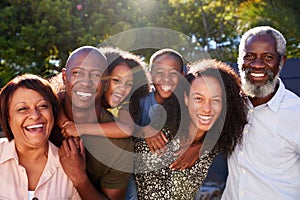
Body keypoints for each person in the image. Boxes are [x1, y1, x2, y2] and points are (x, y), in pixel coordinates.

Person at [221, 26, 300, 199]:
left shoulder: (296, 113)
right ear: (239, 60)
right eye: (249, 56)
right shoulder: (231, 104)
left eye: (268, 57)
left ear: (282, 62)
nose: (257, 64)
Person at [57, 46, 133, 200]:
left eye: (96, 75)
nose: (85, 82)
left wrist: (80, 178)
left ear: (105, 83)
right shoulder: (42, 118)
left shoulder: (121, 147)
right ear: (64, 77)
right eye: (77, 73)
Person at [0, 74, 80, 199]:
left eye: (43, 106)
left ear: (53, 113)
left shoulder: (72, 165)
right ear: (7, 118)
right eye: (23, 109)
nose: (35, 115)